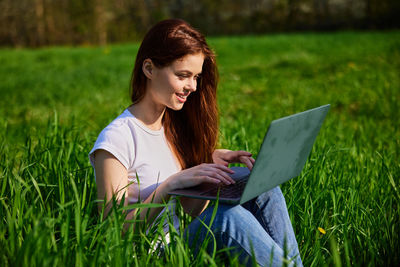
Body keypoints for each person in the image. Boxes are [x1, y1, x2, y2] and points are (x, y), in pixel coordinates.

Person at [89, 19, 302, 266]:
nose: (192, 86)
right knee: (225, 218)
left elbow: (193, 209)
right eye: (183, 75)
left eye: (196, 76)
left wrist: (205, 164)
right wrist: (169, 187)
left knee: (264, 189)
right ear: (149, 69)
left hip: (182, 246)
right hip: (152, 257)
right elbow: (114, 228)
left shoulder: (172, 128)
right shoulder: (117, 138)